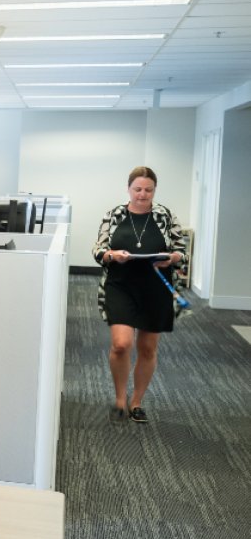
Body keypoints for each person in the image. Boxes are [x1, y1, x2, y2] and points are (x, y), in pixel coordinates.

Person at [92, 166, 188, 424]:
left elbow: (181, 251)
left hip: (155, 287)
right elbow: (98, 251)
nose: (142, 194)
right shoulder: (114, 215)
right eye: (137, 189)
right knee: (121, 344)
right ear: (128, 189)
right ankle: (120, 400)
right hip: (120, 285)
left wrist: (172, 258)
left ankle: (136, 402)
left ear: (154, 190)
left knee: (147, 348)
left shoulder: (166, 215)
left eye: (148, 190)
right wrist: (112, 255)